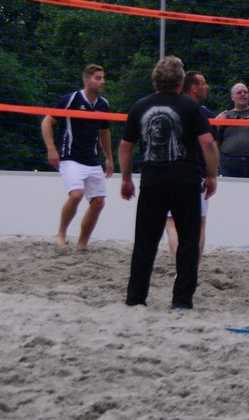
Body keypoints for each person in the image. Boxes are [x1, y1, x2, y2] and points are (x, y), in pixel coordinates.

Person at [120, 56, 218, 310]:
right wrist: (211, 175)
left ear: (155, 80)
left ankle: (135, 298)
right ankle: (181, 301)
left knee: (145, 243)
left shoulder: (140, 106)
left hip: (152, 181)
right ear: (180, 81)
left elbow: (125, 146)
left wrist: (126, 179)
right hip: (185, 180)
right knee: (188, 242)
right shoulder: (191, 107)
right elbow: (208, 143)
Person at [41, 64, 114, 249]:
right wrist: (51, 148)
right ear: (87, 80)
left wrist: (109, 158)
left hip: (92, 160)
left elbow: (104, 133)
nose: (103, 81)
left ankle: (82, 244)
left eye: (103, 78)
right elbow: (47, 122)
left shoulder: (103, 104)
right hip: (70, 157)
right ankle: (61, 234)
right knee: (76, 194)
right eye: (98, 78)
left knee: (98, 202)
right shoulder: (71, 99)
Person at [165, 70, 217, 263]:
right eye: (203, 83)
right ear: (194, 88)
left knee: (172, 223)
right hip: (196, 173)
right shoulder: (204, 113)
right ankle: (192, 269)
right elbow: (210, 145)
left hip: (169, 172)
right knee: (198, 224)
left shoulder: (166, 109)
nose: (207, 86)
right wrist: (212, 175)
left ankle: (181, 267)